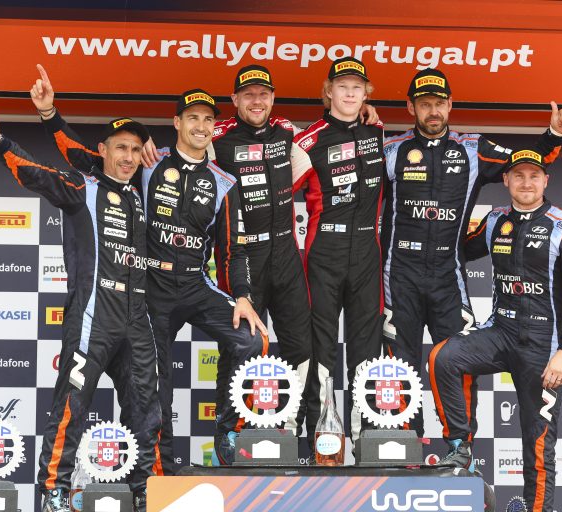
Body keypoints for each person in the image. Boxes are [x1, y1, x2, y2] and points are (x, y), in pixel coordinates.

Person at [29, 65, 267, 470]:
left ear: (214, 126)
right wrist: (50, 115)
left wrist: (242, 296)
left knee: (251, 339)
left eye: (207, 119)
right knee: (156, 386)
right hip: (151, 290)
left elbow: (234, 250)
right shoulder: (147, 162)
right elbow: (83, 156)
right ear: (177, 123)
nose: (200, 126)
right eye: (192, 118)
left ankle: (230, 432)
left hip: (196, 284)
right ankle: (163, 470)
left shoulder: (224, 183)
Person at [140, 65, 379, 441]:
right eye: (248, 94)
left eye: (263, 94)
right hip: (241, 255)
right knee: (241, 345)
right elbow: (189, 152)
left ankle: (306, 436)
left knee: (303, 347)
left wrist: (363, 112)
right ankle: (232, 435)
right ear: (235, 99)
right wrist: (150, 150)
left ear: (272, 98)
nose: (257, 101)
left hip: (285, 252)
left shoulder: (287, 132)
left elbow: (324, 146)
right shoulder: (219, 137)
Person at [0, 108, 160, 511]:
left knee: (146, 408)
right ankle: (54, 491)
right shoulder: (82, 186)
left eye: (135, 149)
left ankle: (146, 490)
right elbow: (37, 174)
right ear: (102, 151)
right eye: (120, 148)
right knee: (72, 407)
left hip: (136, 319)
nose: (129, 157)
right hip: (93, 317)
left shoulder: (141, 193)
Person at [380, 68, 562, 438]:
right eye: (425, 104)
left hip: (447, 277)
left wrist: (554, 135)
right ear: (411, 107)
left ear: (450, 104)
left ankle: (460, 447)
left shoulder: (473, 148)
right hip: (399, 276)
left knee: (459, 361)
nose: (433, 111)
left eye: (439, 104)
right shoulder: (390, 149)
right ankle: (403, 443)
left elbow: (524, 163)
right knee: (397, 365)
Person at [428, 149, 562, 512]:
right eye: (518, 175)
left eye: (534, 176)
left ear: (545, 180)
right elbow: (456, 250)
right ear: (505, 180)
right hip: (500, 331)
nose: (526, 183)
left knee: (537, 444)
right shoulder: (495, 220)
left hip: (544, 345)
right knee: (444, 356)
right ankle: (460, 448)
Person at [291, 57, 386, 445]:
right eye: (342, 86)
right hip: (324, 251)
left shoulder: (377, 131)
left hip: (367, 250)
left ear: (366, 94)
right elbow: (278, 195)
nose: (349, 93)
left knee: (367, 348)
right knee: (321, 347)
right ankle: (322, 440)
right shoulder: (307, 141)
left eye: (357, 87)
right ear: (328, 91)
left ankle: (367, 440)